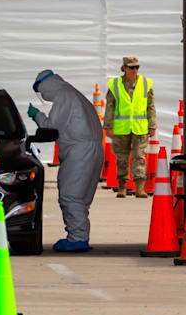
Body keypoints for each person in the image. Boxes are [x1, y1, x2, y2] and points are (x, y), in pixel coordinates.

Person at [28, 70, 103, 252]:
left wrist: (37, 115)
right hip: (94, 150)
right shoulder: (74, 94)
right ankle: (80, 236)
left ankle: (77, 238)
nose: (43, 95)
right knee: (81, 199)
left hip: (79, 151)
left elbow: (51, 127)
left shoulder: (64, 95)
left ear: (45, 85)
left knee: (71, 195)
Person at [104, 56, 157, 199]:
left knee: (139, 157)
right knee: (121, 158)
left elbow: (150, 107)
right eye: (131, 67)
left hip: (140, 128)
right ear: (124, 68)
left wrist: (152, 125)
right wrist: (108, 126)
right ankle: (122, 187)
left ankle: (140, 187)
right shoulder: (115, 85)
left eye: (137, 67)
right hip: (121, 128)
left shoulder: (145, 84)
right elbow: (110, 106)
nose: (135, 70)